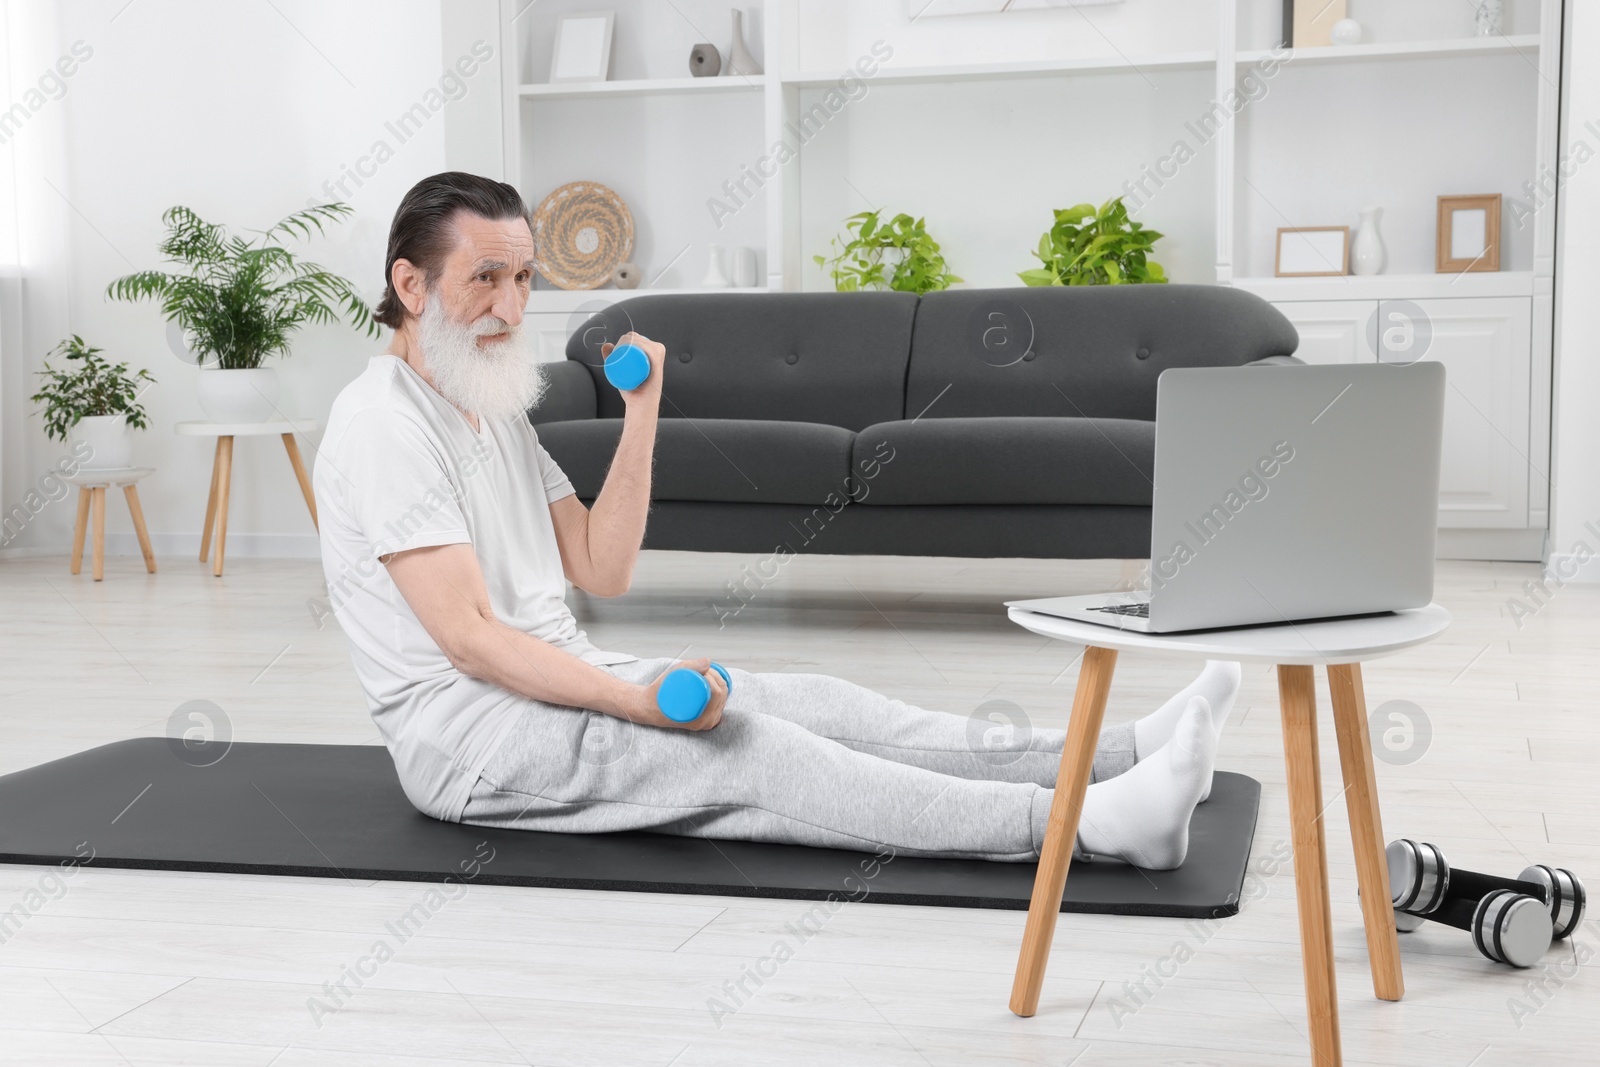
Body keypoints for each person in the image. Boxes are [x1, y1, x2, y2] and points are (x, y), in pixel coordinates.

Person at [314, 172, 1241, 868]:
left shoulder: (493, 404)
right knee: (749, 748)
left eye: (522, 280)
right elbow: (472, 642)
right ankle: (1087, 830)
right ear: (410, 283)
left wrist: (643, 417)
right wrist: (638, 701)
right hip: (473, 739)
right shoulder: (384, 427)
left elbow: (602, 567)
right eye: (485, 279)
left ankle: (1118, 751)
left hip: (565, 677)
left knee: (817, 701)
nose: (511, 308)